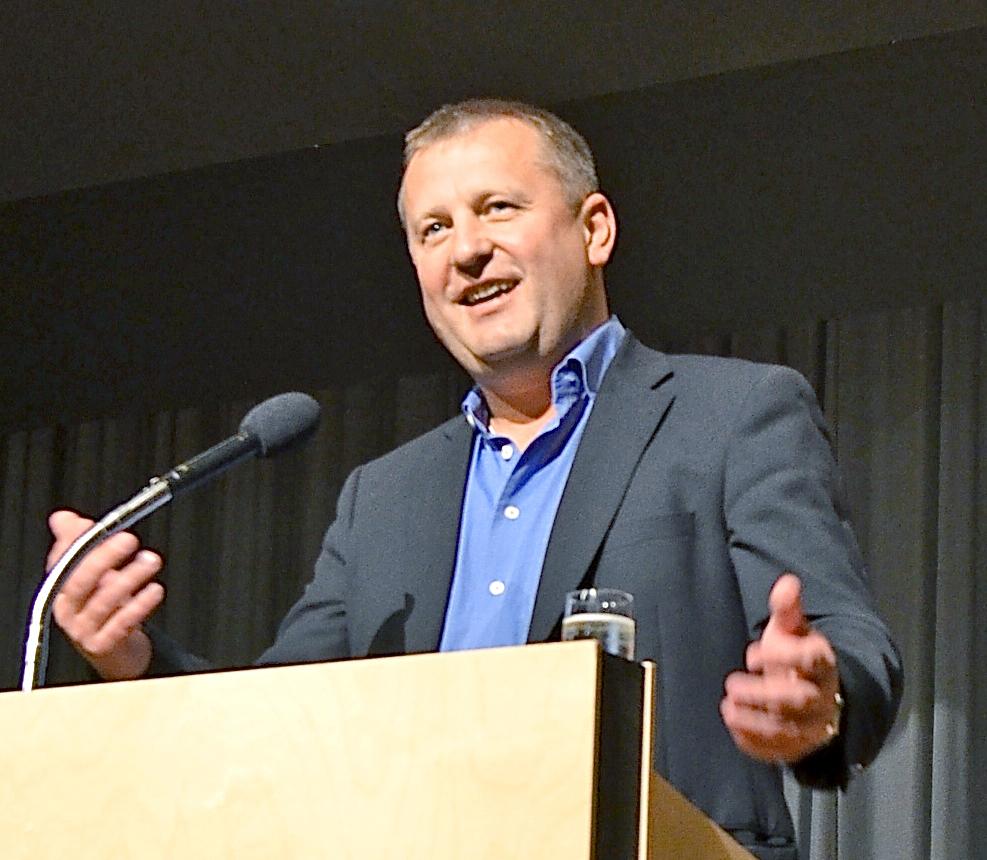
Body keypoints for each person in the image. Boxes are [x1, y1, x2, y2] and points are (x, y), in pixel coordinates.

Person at [47, 99, 902, 860]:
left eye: (498, 208)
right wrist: (133, 659)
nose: (466, 250)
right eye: (433, 229)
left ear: (594, 230)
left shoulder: (732, 414)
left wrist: (818, 699)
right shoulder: (383, 497)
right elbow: (279, 722)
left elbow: (847, 640)